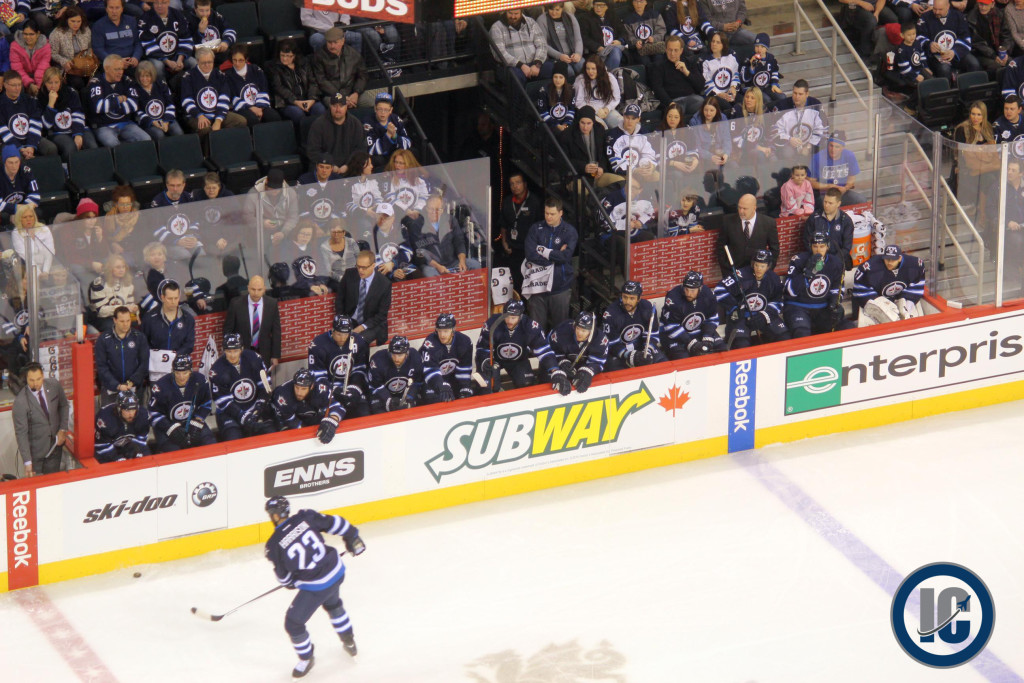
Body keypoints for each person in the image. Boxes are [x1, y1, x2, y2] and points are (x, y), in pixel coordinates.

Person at [263, 495, 364, 679]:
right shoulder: (306, 517)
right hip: (336, 571)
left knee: (293, 623)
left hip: (317, 586)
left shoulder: (273, 545)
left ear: (275, 516)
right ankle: (349, 641)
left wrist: (293, 582)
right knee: (333, 604)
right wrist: (352, 537)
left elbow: (285, 579)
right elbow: (337, 523)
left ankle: (307, 658)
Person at [715, 248, 789, 348]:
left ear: (768, 266)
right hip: (740, 317)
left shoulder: (774, 279)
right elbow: (719, 290)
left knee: (783, 336)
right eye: (756, 265)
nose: (758, 269)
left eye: (762, 266)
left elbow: (778, 301)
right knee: (741, 343)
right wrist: (735, 307)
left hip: (762, 315)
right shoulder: (741, 275)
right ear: (752, 264)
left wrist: (764, 316)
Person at [784, 231, 853, 337]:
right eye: (815, 246)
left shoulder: (835, 263)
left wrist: (834, 303)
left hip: (822, 307)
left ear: (827, 246)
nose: (818, 250)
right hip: (798, 306)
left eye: (822, 246)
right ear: (810, 246)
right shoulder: (798, 260)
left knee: (848, 328)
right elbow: (790, 291)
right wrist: (806, 274)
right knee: (802, 333)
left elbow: (837, 288)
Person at [524, 195, 578, 331]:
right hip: (537, 287)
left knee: (560, 330)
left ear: (561, 213)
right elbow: (530, 254)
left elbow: (565, 256)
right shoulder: (536, 228)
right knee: (537, 330)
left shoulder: (569, 231)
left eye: (552, 214)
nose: (548, 217)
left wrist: (544, 252)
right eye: (546, 213)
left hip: (560, 288)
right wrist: (554, 257)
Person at [475, 299, 553, 391]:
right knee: (488, 387)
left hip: (519, 361)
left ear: (520, 316)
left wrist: (555, 370)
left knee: (526, 384)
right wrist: (486, 361)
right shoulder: (492, 323)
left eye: (513, 318)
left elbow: (544, 350)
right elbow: (482, 348)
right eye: (507, 316)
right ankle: (495, 390)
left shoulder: (530, 326)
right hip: (495, 360)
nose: (509, 321)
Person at [210, 332, 273, 442]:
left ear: (241, 349)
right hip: (229, 415)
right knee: (234, 440)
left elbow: (265, 386)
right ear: (223, 351)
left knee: (271, 434)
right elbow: (224, 402)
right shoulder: (216, 370)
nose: (232, 355)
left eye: (235, 351)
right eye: (229, 351)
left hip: (254, 408)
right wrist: (242, 416)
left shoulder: (254, 358)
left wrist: (259, 407)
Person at [148, 352, 214, 452]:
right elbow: (153, 413)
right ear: (173, 371)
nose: (181, 377)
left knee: (210, 444)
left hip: (192, 422)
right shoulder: (160, 387)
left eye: (185, 373)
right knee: (174, 452)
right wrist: (171, 428)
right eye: (178, 373)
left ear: (190, 371)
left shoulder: (200, 380)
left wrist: (198, 420)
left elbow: (206, 403)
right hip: (168, 426)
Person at [307, 313, 370, 418]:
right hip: (328, 390)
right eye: (339, 334)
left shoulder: (359, 341)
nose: (342, 338)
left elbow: (360, 370)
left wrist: (354, 389)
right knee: (331, 415)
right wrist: (335, 390)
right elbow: (318, 377)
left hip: (351, 387)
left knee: (364, 413)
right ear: (333, 330)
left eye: (346, 334)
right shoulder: (318, 345)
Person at [13, 361, 69, 476]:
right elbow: (21, 434)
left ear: (43, 375)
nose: (35, 384)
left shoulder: (54, 385)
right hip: (36, 456)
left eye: (38, 379)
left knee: (54, 482)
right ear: (26, 379)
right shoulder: (20, 402)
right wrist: (27, 462)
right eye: (31, 380)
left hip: (55, 448)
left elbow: (64, 405)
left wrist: (63, 429)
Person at [404, 194, 479, 277]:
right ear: (426, 209)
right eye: (431, 209)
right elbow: (420, 253)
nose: (434, 212)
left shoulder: (450, 220)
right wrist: (438, 266)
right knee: (429, 273)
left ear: (442, 210)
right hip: (431, 266)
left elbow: (459, 241)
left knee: (475, 265)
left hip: (453, 262)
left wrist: (462, 261)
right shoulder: (417, 225)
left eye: (438, 209)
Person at [180, 46, 245, 137]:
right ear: (197, 61)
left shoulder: (219, 75)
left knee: (240, 121)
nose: (207, 65)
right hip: (196, 115)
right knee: (205, 129)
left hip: (217, 113)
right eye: (204, 63)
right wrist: (199, 116)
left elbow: (224, 99)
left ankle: (226, 143)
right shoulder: (188, 77)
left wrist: (218, 120)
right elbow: (186, 101)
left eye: (210, 62)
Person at [87, 53, 149, 146]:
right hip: (104, 126)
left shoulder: (127, 81)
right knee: (112, 143)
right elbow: (98, 107)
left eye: (121, 69)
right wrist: (119, 99)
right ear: (106, 69)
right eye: (116, 69)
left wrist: (109, 106)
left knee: (146, 139)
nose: (120, 72)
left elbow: (134, 105)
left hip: (126, 124)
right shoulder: (96, 82)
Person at [660, 270, 725, 359]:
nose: (689, 294)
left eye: (693, 290)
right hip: (673, 335)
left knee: (721, 349)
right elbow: (670, 327)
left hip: (698, 329)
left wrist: (708, 336)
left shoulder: (708, 294)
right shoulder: (673, 298)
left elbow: (712, 318)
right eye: (686, 289)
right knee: (683, 358)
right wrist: (690, 343)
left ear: (700, 288)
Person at [852, 244, 926, 321]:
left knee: (906, 316)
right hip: (876, 296)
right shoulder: (870, 267)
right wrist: (876, 301)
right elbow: (860, 289)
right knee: (888, 318)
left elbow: (917, 284)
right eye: (887, 259)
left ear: (900, 258)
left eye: (893, 260)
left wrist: (909, 300)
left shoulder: (914, 265)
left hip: (898, 297)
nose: (889, 263)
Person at [37, 67, 99, 159]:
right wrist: (50, 105)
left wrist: (78, 133)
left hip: (77, 128)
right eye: (50, 82)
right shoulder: (40, 98)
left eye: (56, 82)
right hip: (56, 133)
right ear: (45, 83)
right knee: (70, 148)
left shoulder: (70, 92)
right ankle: (66, 168)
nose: (53, 86)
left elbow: (78, 114)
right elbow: (46, 125)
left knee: (92, 146)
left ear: (61, 82)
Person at [603, 280, 665, 371]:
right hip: (620, 351)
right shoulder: (611, 313)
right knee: (614, 368)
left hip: (641, 347)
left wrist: (647, 351)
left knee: (662, 362)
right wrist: (629, 355)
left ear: (639, 299)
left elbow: (652, 334)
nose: (627, 301)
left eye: (632, 298)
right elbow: (612, 344)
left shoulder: (647, 307)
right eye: (625, 297)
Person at [334, 249, 392, 346]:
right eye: (358, 266)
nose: (360, 270)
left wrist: (362, 327)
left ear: (373, 265)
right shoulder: (349, 274)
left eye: (364, 267)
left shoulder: (384, 284)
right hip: (350, 320)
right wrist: (342, 320)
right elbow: (339, 299)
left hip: (371, 324)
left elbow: (382, 314)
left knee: (357, 342)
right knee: (338, 340)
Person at [141, 279, 195, 381]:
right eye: (170, 298)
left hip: (179, 369)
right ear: (162, 297)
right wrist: (158, 357)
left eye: (176, 298)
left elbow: (189, 344)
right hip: (156, 369)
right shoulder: (150, 318)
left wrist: (173, 357)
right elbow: (143, 343)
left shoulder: (187, 319)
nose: (173, 302)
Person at [561, 105, 622, 195]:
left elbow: (604, 154)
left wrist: (601, 167)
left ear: (593, 122)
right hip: (578, 177)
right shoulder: (568, 134)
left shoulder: (599, 130)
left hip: (598, 175)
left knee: (621, 181)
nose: (585, 127)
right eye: (582, 123)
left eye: (588, 123)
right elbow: (563, 161)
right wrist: (583, 167)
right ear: (578, 121)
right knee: (583, 190)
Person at [223, 275, 281, 368]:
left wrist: (275, 356)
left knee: (263, 377)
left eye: (259, 290)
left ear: (264, 289)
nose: (256, 293)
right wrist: (231, 352)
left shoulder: (272, 304)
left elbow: (276, 331)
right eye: (253, 289)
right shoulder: (236, 304)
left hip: (264, 353)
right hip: (241, 353)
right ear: (248, 288)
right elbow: (228, 330)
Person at [267, 39, 325, 131]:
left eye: (288, 56)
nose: (284, 59)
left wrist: (312, 99)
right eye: (282, 55)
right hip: (288, 103)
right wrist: (296, 102)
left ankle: (320, 135)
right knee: (298, 114)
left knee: (320, 109)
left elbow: (313, 82)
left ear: (294, 55)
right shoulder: (274, 67)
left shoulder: (304, 63)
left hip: (307, 99)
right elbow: (279, 88)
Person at [546, 311, 608, 396]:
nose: (579, 333)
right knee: (548, 378)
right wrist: (562, 362)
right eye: (578, 328)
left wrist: (588, 371)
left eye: (584, 330)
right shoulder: (562, 330)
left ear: (592, 331)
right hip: (560, 365)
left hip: (583, 366)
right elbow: (549, 352)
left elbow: (598, 362)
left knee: (587, 380)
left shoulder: (600, 339)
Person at [94, 304, 148, 403]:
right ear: (115, 320)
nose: (125, 324)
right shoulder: (103, 339)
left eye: (128, 321)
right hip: (111, 390)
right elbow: (102, 367)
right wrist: (117, 385)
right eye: (122, 321)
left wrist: (132, 382)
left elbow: (144, 363)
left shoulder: (139, 337)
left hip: (134, 388)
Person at [915, 0, 980, 81]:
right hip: (936, 56)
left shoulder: (958, 16)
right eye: (934, 9)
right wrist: (929, 44)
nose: (936, 12)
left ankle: (971, 88)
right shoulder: (925, 17)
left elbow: (965, 38)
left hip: (956, 52)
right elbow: (918, 37)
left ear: (948, 6)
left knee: (973, 63)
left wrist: (954, 51)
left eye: (940, 9)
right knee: (944, 69)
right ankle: (948, 89)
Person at [717, 192, 779, 271]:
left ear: (754, 208)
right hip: (734, 270)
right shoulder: (727, 221)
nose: (741, 211)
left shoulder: (768, 223)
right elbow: (721, 246)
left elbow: (774, 249)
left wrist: (767, 269)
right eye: (739, 207)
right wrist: (726, 268)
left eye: (745, 208)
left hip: (757, 271)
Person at [420, 313, 474, 403]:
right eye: (439, 331)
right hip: (431, 381)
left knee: (464, 397)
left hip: (451, 379)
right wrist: (441, 385)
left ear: (453, 330)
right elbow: (429, 370)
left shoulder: (464, 342)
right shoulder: (430, 343)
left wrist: (464, 387)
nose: (442, 335)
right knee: (435, 398)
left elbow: (464, 369)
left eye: (445, 331)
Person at [649, 35, 705, 121]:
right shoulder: (659, 66)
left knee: (705, 106)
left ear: (681, 50)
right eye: (670, 50)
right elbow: (657, 88)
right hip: (673, 100)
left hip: (691, 99)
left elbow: (700, 86)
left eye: (676, 50)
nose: (672, 53)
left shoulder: (689, 62)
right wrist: (670, 103)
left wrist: (686, 72)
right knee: (674, 112)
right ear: (666, 49)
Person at [0, 69, 54, 158]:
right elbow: (3, 131)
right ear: (5, 85)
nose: (17, 88)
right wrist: (20, 148)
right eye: (14, 85)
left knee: (51, 148)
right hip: (10, 142)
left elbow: (36, 123)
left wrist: (31, 146)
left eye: (19, 84)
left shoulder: (30, 100)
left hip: (31, 138)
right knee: (15, 155)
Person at [271, 368, 341, 436]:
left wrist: (332, 421)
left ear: (312, 386)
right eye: (297, 387)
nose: (299, 392)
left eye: (303, 389)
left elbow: (337, 406)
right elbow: (290, 421)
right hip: (284, 420)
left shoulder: (320, 389)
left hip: (311, 416)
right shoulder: (283, 395)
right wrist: (309, 434)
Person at [307, 93, 365, 174]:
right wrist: (330, 166)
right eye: (334, 106)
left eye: (341, 106)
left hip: (349, 168)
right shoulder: (318, 124)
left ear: (346, 106)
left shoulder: (356, 124)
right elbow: (313, 151)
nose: (338, 109)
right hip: (325, 169)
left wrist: (348, 166)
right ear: (330, 106)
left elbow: (360, 149)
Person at [224, 44, 280, 127]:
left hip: (260, 105)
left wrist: (260, 108)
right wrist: (251, 108)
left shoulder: (256, 70)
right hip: (242, 108)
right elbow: (233, 97)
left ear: (246, 59)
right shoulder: (228, 75)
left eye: (240, 60)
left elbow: (263, 89)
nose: (237, 63)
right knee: (252, 119)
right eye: (234, 60)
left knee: (274, 117)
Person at [138, 0, 193, 83]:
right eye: (157, 2)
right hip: (157, 57)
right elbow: (148, 43)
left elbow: (186, 38)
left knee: (193, 63)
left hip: (177, 55)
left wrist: (180, 59)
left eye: (163, 2)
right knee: (158, 66)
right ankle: (163, 89)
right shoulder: (145, 18)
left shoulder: (177, 15)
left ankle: (191, 87)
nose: (159, 5)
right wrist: (167, 61)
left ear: (168, 2)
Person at [311, 26, 366, 110]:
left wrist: (356, 93)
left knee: (370, 102)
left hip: (351, 93)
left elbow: (362, 76)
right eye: (329, 42)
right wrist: (341, 96)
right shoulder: (318, 57)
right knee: (338, 107)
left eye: (335, 42)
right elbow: (321, 81)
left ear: (343, 41)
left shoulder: (353, 54)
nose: (332, 46)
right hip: (331, 94)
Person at [772, 79, 826, 161]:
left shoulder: (815, 104)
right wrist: (789, 139)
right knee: (787, 152)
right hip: (788, 146)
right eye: (795, 93)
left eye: (800, 94)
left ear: (807, 94)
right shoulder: (782, 106)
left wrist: (809, 146)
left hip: (810, 145)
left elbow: (822, 129)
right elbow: (774, 130)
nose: (797, 97)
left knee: (823, 149)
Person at [368, 335, 424, 413]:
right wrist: (389, 400)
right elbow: (375, 386)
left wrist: (409, 397)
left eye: (400, 355)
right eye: (393, 354)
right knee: (377, 409)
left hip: (405, 394)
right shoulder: (378, 359)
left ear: (407, 353)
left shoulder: (415, 357)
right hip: (383, 396)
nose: (396, 359)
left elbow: (418, 382)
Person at [489, 8, 547, 84]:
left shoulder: (531, 22)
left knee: (551, 69)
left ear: (521, 12)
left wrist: (537, 64)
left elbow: (542, 45)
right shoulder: (496, 27)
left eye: (516, 14)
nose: (513, 16)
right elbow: (499, 53)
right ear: (506, 11)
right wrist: (521, 65)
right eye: (510, 13)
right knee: (516, 76)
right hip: (512, 66)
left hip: (534, 63)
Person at [802, 187, 856, 269]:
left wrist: (831, 261)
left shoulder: (846, 221)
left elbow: (846, 248)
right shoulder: (814, 218)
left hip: (836, 263)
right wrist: (818, 258)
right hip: (817, 262)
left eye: (830, 203)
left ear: (838, 204)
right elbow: (807, 242)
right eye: (825, 202)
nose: (826, 205)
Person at [94, 389, 151, 463]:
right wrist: (117, 458)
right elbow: (101, 446)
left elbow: (141, 440)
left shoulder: (143, 415)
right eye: (127, 410)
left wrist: (137, 452)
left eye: (133, 409)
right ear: (119, 409)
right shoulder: (105, 417)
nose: (131, 414)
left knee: (147, 461)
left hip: (130, 445)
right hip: (108, 450)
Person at [606, 103, 659, 179]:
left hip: (641, 171)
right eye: (628, 118)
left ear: (638, 119)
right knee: (632, 183)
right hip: (622, 174)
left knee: (657, 176)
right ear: (623, 116)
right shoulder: (613, 135)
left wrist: (648, 166)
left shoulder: (644, 133)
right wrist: (634, 170)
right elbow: (614, 161)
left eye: (633, 118)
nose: (630, 121)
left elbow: (649, 154)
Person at [364, 202, 415, 281]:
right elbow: (372, 260)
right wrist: (392, 272)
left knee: (414, 274)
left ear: (393, 218)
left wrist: (393, 263)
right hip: (382, 274)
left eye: (387, 217)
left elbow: (407, 251)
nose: (383, 220)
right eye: (380, 216)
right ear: (376, 217)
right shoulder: (369, 234)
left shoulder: (400, 229)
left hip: (401, 267)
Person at [88, 253, 137, 333]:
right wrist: (124, 308)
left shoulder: (128, 284)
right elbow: (101, 311)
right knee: (112, 326)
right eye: (118, 267)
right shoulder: (99, 284)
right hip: (103, 318)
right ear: (110, 269)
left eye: (123, 267)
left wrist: (134, 309)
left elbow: (130, 304)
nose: (121, 270)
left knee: (135, 322)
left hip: (122, 317)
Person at [133, 59, 182, 140]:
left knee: (178, 132)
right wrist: (153, 122)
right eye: (142, 76)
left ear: (152, 75)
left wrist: (166, 121)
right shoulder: (135, 89)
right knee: (159, 134)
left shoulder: (161, 85)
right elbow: (137, 112)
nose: (144, 79)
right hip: (149, 123)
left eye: (147, 76)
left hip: (165, 118)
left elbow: (170, 104)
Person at [91, 0, 142, 72]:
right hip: (111, 65)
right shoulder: (98, 25)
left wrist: (136, 57)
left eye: (117, 8)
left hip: (131, 62)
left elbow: (138, 42)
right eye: (111, 7)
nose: (114, 11)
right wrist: (116, 61)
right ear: (106, 9)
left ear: (122, 8)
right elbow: (98, 49)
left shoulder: (131, 21)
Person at [572, 53, 621, 129]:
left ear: (599, 68)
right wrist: (595, 111)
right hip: (590, 112)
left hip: (606, 110)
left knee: (621, 123)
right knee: (602, 128)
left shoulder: (610, 78)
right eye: (588, 68)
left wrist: (607, 109)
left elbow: (616, 98)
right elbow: (579, 102)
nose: (590, 72)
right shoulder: (581, 80)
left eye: (593, 69)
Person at [364, 91, 412, 168]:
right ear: (375, 109)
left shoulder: (396, 119)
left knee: (413, 152)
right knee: (376, 160)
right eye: (380, 109)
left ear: (391, 110)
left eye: (386, 110)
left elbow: (408, 142)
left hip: (396, 154)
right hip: (381, 157)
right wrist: (388, 135)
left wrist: (394, 136)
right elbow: (371, 150)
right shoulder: (368, 122)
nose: (383, 112)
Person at [537, 2, 585, 78]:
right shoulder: (542, 20)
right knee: (568, 71)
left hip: (572, 54)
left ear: (562, 9)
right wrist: (559, 56)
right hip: (555, 57)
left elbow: (578, 39)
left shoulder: (570, 17)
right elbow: (543, 44)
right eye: (551, 9)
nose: (554, 12)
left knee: (582, 66)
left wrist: (578, 53)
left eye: (557, 10)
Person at [578, 0, 626, 70]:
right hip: (596, 52)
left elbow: (623, 32)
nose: (598, 8)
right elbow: (584, 37)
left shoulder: (613, 16)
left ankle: (609, 74)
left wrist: (620, 41)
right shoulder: (586, 18)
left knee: (616, 50)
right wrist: (597, 47)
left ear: (607, 7)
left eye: (601, 5)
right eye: (596, 5)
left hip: (612, 48)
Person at [968, 0, 1011, 79]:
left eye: (986, 5)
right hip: (981, 53)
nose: (983, 7)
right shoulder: (972, 18)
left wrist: (1004, 53)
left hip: (998, 51)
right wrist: (993, 56)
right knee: (996, 67)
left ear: (992, 4)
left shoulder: (999, 14)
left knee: (1012, 64)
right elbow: (977, 43)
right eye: (981, 4)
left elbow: (1006, 35)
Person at [739, 33, 784, 104]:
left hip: (766, 86)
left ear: (766, 48)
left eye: (762, 47)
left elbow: (775, 71)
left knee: (782, 97)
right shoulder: (749, 58)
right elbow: (744, 79)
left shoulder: (771, 58)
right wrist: (751, 67)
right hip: (753, 88)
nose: (759, 49)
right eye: (757, 46)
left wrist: (774, 84)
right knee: (766, 100)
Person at [9, 19, 50, 97]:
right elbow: (17, 69)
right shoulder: (15, 46)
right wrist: (29, 83)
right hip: (22, 75)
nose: (28, 37)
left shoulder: (45, 46)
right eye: (25, 34)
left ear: (38, 34)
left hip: (40, 75)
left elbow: (42, 68)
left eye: (31, 34)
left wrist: (38, 85)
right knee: (18, 87)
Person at [0, 143, 38, 224]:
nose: (14, 166)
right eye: (10, 163)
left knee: (36, 213)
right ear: (4, 162)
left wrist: (23, 211)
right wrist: (16, 209)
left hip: (24, 207)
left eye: (16, 162)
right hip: (5, 212)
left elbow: (35, 195)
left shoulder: (26, 171)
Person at [11, 202, 54, 275]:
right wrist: (38, 273)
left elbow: (50, 251)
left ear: (34, 217)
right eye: (25, 217)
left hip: (48, 267)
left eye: (31, 216)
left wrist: (46, 271)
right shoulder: (16, 233)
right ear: (19, 219)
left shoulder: (44, 229)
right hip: (28, 270)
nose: (28, 219)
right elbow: (25, 256)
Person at [623, 0, 667, 66]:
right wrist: (636, 42)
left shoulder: (655, 14)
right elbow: (628, 36)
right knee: (645, 61)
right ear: (632, 3)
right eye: (636, 1)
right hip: (638, 50)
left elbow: (661, 30)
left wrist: (654, 38)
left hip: (655, 46)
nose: (638, 4)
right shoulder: (628, 19)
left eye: (641, 1)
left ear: (646, 2)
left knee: (659, 59)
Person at [701, 31, 740, 107]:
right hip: (715, 95)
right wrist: (719, 94)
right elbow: (707, 81)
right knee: (727, 106)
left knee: (741, 103)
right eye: (713, 41)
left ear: (723, 45)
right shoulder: (706, 61)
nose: (714, 44)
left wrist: (733, 88)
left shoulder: (731, 57)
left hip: (730, 92)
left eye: (718, 42)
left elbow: (736, 74)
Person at [536, 61, 576, 133]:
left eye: (561, 77)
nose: (558, 80)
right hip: (549, 124)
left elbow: (571, 109)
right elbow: (542, 112)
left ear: (565, 78)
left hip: (565, 124)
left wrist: (566, 124)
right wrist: (556, 125)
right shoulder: (544, 90)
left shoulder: (571, 90)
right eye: (555, 77)